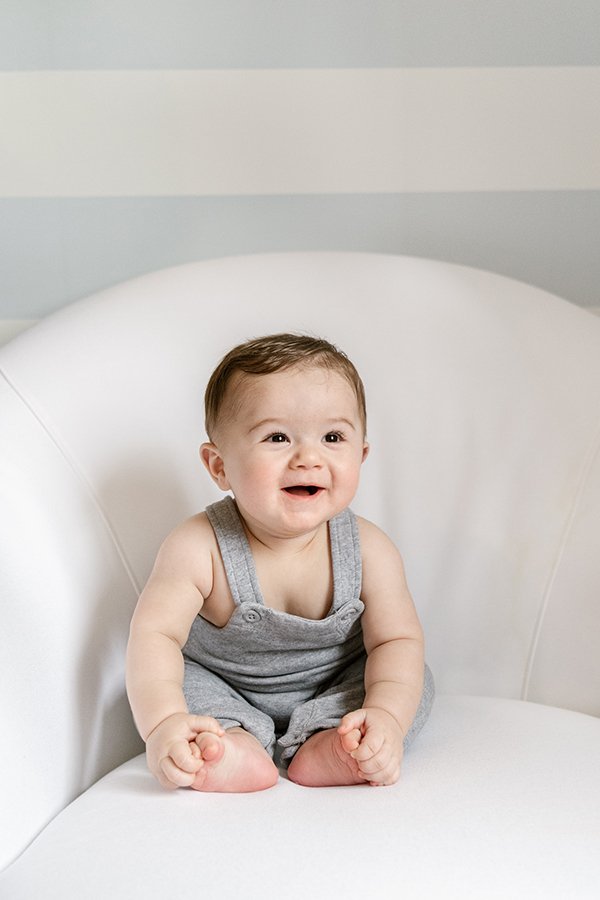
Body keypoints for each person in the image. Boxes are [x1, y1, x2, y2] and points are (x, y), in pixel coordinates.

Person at [126, 333, 434, 793]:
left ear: (361, 455)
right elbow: (155, 637)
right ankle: (225, 746)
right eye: (277, 437)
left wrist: (387, 716)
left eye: (333, 437)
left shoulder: (369, 549)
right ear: (219, 466)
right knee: (186, 684)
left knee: (411, 678)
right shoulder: (198, 546)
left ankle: (339, 743)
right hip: (226, 686)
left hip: (334, 685)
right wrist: (164, 724)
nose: (308, 457)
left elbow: (396, 639)